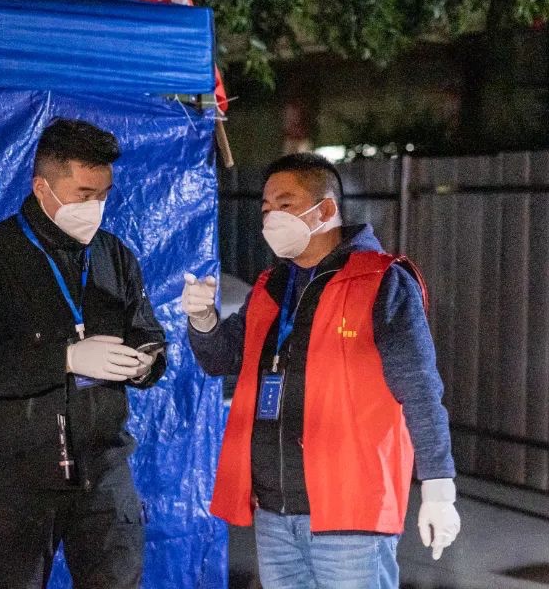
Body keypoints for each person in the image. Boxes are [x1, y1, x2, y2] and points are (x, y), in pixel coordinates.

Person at [182, 153, 459, 589]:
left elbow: (420, 387)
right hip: (275, 510)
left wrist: (438, 486)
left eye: (285, 205)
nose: (271, 218)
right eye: (266, 209)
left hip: (350, 512)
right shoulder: (272, 287)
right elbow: (220, 359)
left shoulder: (381, 281)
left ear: (325, 209)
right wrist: (202, 321)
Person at [0, 118, 167, 589]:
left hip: (103, 467)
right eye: (83, 194)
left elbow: (146, 331)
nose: (95, 208)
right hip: (15, 477)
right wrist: (64, 359)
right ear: (42, 187)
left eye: (103, 195)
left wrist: (146, 361)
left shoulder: (114, 255)